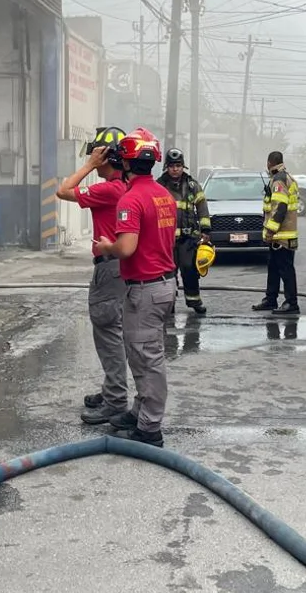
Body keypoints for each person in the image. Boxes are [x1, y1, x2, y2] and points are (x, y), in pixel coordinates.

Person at [94, 128, 177, 447]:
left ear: (125, 162)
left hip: (145, 289)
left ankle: (150, 427)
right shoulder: (163, 195)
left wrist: (106, 247)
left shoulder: (131, 199)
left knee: (147, 356)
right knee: (140, 353)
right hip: (159, 285)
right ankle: (140, 411)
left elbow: (126, 247)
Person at [55, 127, 131, 425]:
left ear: (106, 157)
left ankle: (115, 401)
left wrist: (88, 166)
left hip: (109, 268)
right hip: (121, 268)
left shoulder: (110, 189)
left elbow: (63, 190)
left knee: (108, 333)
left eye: (97, 155)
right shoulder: (126, 186)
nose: (93, 160)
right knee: (117, 333)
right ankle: (113, 390)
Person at [156, 148, 212, 315]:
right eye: (172, 166)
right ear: (167, 166)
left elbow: (202, 207)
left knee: (189, 269)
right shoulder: (159, 185)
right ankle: (169, 304)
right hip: (166, 239)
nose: (175, 169)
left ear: (183, 166)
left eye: (178, 165)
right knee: (167, 273)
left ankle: (194, 301)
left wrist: (206, 230)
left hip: (189, 238)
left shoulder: (192, 185)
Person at [253, 150, 301, 315]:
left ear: (269, 163)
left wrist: (270, 230)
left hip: (281, 235)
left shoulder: (279, 180)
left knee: (285, 269)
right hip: (280, 235)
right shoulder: (282, 177)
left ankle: (291, 303)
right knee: (273, 267)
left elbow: (280, 207)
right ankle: (270, 299)